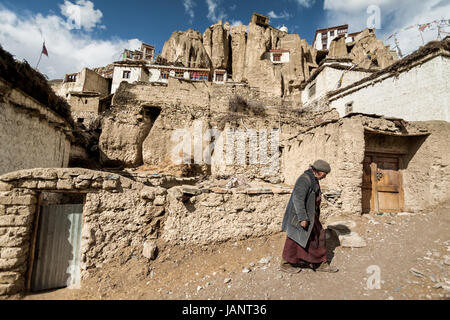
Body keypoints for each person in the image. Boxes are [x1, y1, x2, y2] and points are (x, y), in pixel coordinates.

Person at [279, 160, 338, 274]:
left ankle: (318, 263)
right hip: (301, 215)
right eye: (325, 175)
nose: (325, 177)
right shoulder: (304, 179)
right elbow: (298, 199)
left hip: (311, 215)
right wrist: (302, 218)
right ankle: (285, 264)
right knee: (294, 238)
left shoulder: (313, 179)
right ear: (320, 172)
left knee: (316, 236)